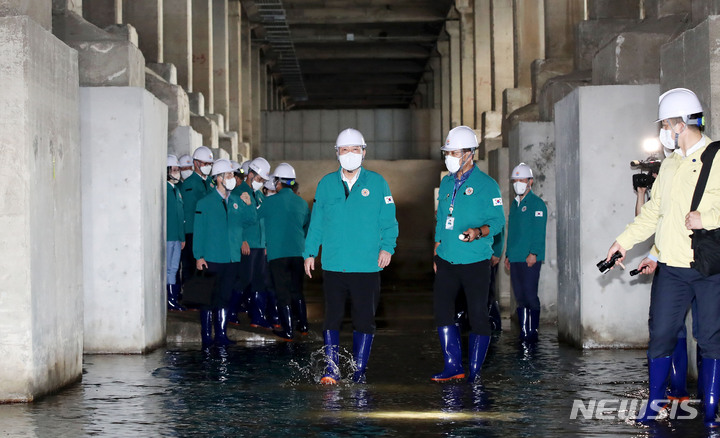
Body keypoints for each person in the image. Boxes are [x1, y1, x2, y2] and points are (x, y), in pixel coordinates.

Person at [605, 88, 720, 425]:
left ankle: (711, 411)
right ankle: (655, 405)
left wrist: (708, 219)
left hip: (708, 266)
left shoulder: (717, 157)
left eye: (666, 124)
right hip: (671, 267)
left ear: (679, 125)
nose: (664, 131)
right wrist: (623, 241)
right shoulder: (669, 165)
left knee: (711, 337)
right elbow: (655, 211)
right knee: (661, 336)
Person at [303, 128, 399, 384]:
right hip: (334, 264)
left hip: (366, 266)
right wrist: (310, 252)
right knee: (331, 318)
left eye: (355, 149)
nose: (349, 154)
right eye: (344, 150)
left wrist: (387, 247)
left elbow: (389, 221)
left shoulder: (378, 183)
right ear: (337, 154)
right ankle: (331, 370)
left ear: (363, 152)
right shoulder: (325, 184)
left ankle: (359, 371)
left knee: (364, 320)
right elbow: (317, 223)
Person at [432, 125, 505, 384]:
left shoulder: (487, 185)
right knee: (442, 310)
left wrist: (479, 231)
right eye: (447, 152)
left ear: (469, 154)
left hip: (475, 260)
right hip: (447, 259)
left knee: (477, 314)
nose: (449, 156)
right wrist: (437, 244)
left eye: (454, 152)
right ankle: (453, 366)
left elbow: (498, 222)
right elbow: (441, 217)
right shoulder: (446, 181)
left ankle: (474, 371)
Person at [193, 159, 253, 349]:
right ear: (218, 178)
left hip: (231, 257)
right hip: (211, 257)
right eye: (228, 175)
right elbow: (199, 230)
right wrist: (198, 255)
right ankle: (206, 337)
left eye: (232, 175)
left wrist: (249, 204)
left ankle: (221, 334)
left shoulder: (236, 201)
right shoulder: (205, 203)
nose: (232, 179)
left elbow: (250, 221)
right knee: (208, 298)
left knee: (225, 296)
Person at [259, 163, 310, 340]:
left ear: (279, 183)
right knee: (297, 290)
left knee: (282, 292)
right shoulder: (302, 203)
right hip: (298, 252)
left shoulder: (269, 202)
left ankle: (288, 330)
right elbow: (306, 227)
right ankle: (303, 325)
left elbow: (254, 218)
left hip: (278, 253)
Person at [504, 163, 547, 343]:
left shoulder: (537, 204)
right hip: (515, 257)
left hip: (529, 257)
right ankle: (524, 331)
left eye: (522, 180)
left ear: (530, 182)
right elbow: (511, 231)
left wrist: (534, 252)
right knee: (520, 296)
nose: (518, 183)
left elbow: (539, 231)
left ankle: (533, 331)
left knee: (530, 295)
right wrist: (507, 254)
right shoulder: (515, 205)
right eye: (515, 180)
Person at [235, 157, 273, 329]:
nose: (260, 183)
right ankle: (230, 312)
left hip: (259, 245)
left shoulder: (259, 195)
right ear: (250, 174)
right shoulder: (238, 193)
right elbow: (236, 220)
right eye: (259, 179)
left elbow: (263, 220)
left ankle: (257, 318)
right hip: (248, 244)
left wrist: (265, 243)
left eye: (263, 180)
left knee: (260, 281)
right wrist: (242, 239)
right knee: (244, 279)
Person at [180, 146, 214, 288]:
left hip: (208, 231)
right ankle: (190, 298)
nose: (208, 167)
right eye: (205, 163)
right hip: (193, 230)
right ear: (196, 163)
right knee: (191, 265)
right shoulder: (189, 184)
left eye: (209, 164)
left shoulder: (211, 182)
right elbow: (189, 210)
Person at [166, 155, 186, 311]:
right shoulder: (165, 189)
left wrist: (182, 236)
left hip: (177, 237)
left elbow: (181, 216)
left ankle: (172, 299)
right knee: (167, 268)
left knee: (174, 268)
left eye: (178, 169)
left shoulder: (177, 190)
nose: (177, 172)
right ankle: (168, 299)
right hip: (167, 236)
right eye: (174, 169)